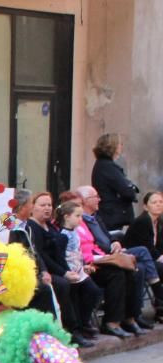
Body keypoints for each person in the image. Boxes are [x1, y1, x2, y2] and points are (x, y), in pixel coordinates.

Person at [26, 192, 99, 347]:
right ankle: (72, 331)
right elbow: (41, 255)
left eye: (49, 205)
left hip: (65, 266)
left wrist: (78, 267)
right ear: (33, 207)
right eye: (42, 205)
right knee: (66, 285)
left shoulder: (51, 225)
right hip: (49, 270)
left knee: (91, 289)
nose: (47, 208)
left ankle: (83, 323)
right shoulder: (31, 227)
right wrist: (63, 272)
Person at [75, 185, 149, 335]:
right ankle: (111, 322)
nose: (99, 199)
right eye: (95, 196)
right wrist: (107, 255)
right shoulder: (78, 224)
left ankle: (130, 317)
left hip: (104, 256)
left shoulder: (95, 218)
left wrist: (114, 243)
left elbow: (104, 239)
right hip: (91, 263)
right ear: (83, 201)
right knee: (118, 273)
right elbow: (87, 249)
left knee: (135, 269)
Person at [121, 189, 163, 319]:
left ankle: (160, 308)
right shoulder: (143, 221)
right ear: (145, 206)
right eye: (154, 202)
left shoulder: (159, 222)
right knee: (161, 268)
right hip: (135, 259)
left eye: (161, 202)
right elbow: (147, 247)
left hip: (150, 259)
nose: (158, 204)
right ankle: (161, 307)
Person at [90, 133, 139, 232]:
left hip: (109, 214)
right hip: (111, 216)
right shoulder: (108, 167)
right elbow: (126, 190)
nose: (121, 146)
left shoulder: (103, 165)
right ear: (112, 146)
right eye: (119, 144)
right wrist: (132, 188)